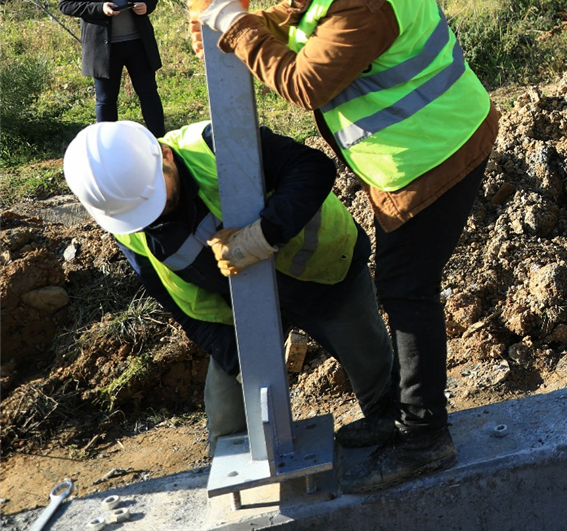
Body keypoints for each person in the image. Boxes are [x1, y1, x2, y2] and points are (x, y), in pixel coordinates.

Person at [185, 0, 499, 492]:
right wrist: (260, 23)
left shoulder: (360, 4)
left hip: (433, 157)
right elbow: (308, 17)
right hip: (423, 147)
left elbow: (305, 83)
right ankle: (398, 418)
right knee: (402, 290)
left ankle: (426, 437)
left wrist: (237, 26)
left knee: (407, 294)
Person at [62, 119, 393, 455]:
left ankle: (398, 436)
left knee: (376, 375)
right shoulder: (125, 217)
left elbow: (312, 167)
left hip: (322, 274)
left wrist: (265, 234)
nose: (150, 214)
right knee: (227, 425)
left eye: (154, 196)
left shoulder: (214, 144)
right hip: (241, 311)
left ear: (165, 155)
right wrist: (232, 357)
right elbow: (171, 298)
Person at [59, 0, 166, 135]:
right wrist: (99, 9)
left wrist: (146, 5)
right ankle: (107, 148)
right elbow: (66, 5)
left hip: (138, 42)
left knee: (149, 93)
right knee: (106, 100)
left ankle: (161, 143)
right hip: (104, 47)